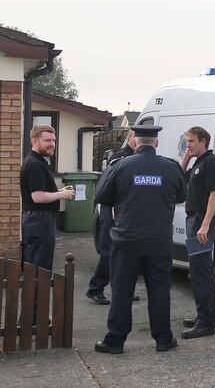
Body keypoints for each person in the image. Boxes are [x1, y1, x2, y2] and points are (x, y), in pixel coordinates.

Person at [94, 125, 186, 354]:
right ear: (156, 142)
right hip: (159, 241)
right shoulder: (171, 167)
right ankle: (163, 339)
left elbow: (102, 197)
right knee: (160, 290)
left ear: (135, 141)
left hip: (126, 241)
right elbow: (182, 196)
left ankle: (115, 340)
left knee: (122, 291)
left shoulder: (120, 166)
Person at [179, 126, 215, 339]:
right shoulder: (199, 162)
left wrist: (205, 224)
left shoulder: (212, 163)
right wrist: (186, 157)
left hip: (200, 220)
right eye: (187, 141)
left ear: (203, 141)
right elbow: (180, 178)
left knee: (200, 270)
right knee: (198, 269)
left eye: (191, 141)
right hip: (194, 219)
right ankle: (205, 315)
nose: (188, 144)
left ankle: (206, 322)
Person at [86, 130, 135, 305]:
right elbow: (113, 186)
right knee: (108, 252)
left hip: (124, 211)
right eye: (136, 137)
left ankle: (122, 290)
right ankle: (95, 289)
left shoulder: (132, 157)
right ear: (130, 138)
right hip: (111, 210)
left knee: (125, 253)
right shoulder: (119, 157)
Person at [20, 124, 75, 271]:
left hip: (37, 221)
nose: (52, 144)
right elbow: (37, 197)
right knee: (39, 268)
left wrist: (59, 191)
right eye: (47, 140)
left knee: (35, 266)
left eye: (53, 140)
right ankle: (37, 295)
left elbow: (41, 191)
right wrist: (61, 194)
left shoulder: (36, 162)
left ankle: (35, 294)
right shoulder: (35, 165)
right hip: (39, 222)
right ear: (34, 141)